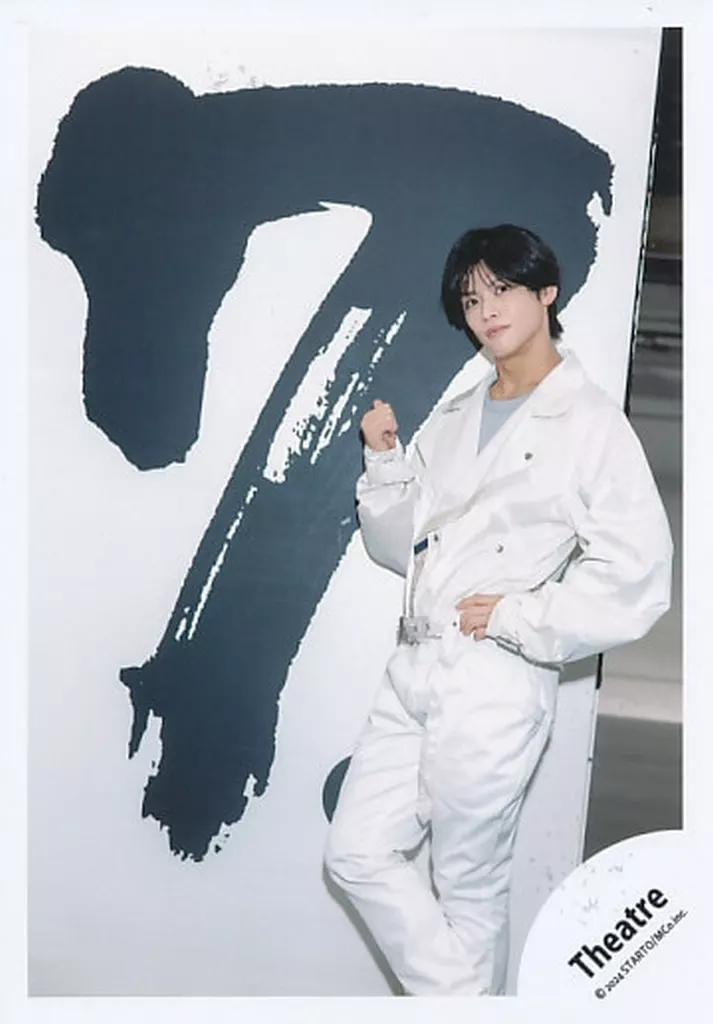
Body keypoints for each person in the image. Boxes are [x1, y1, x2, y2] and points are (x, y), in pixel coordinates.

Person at [324, 224, 673, 996]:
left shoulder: (589, 423)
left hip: (494, 677)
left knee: (466, 887)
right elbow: (401, 548)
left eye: (502, 290)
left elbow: (638, 578)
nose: (485, 310)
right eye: (470, 297)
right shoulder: (457, 414)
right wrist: (384, 461)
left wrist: (517, 615)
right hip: (414, 666)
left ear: (546, 292)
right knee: (355, 853)